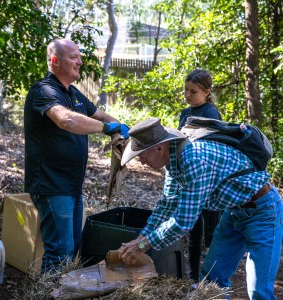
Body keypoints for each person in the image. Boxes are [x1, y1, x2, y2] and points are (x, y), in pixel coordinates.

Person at [119, 118, 283, 300]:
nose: (141, 162)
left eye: (142, 155)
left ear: (159, 148)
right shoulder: (174, 161)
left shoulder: (194, 159)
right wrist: (141, 238)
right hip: (234, 211)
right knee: (213, 278)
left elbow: (183, 221)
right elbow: (166, 206)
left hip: (263, 212)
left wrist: (143, 245)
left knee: (258, 291)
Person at [24, 38, 129, 273]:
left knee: (72, 248)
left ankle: (60, 290)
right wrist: (106, 129)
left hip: (71, 186)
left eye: (79, 57)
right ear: (55, 61)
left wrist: (123, 127)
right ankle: (47, 293)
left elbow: (100, 115)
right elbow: (66, 119)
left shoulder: (74, 94)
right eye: (74, 57)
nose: (80, 61)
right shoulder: (43, 90)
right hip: (51, 185)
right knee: (59, 251)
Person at [178, 69, 222, 284]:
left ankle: (212, 280)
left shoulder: (211, 113)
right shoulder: (185, 113)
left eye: (192, 91)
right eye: (186, 90)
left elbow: (211, 148)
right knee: (194, 232)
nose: (187, 95)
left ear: (206, 92)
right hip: (191, 180)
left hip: (211, 182)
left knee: (212, 234)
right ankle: (194, 278)